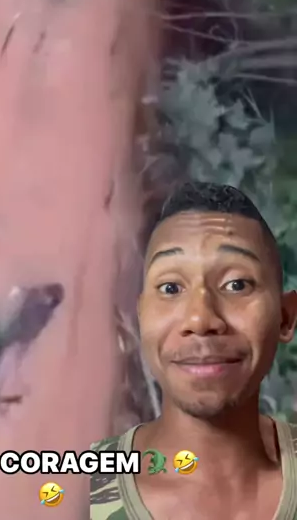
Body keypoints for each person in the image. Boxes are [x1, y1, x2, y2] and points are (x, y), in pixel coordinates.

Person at [90, 182, 297, 520]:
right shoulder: (76, 490)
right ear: (141, 317)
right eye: (171, 287)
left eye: (237, 284)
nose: (200, 319)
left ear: (286, 318)